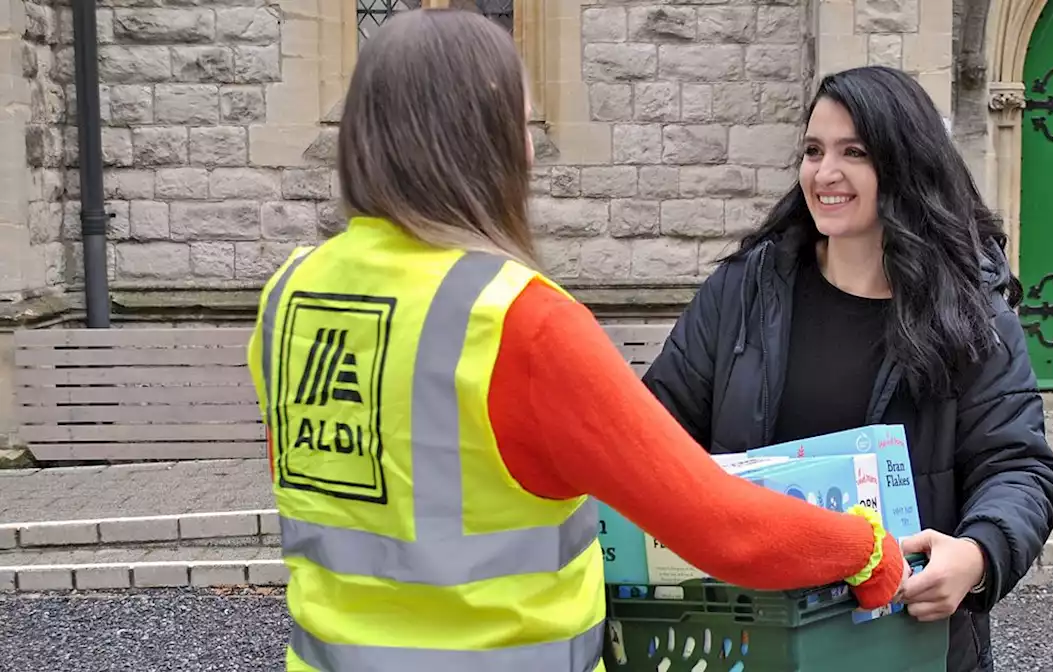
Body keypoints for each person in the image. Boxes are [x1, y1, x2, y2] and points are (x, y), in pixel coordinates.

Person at [244, 11, 909, 672]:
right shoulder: (518, 321)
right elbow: (720, 526)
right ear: (488, 146)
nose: (530, 150)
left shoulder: (289, 296)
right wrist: (865, 548)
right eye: (522, 127)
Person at [640, 65, 1053, 672]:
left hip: (906, 639)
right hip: (754, 634)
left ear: (904, 164)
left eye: (853, 152)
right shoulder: (743, 292)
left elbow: (1019, 465)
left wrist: (976, 555)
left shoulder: (970, 312)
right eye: (813, 150)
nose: (825, 173)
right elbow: (657, 429)